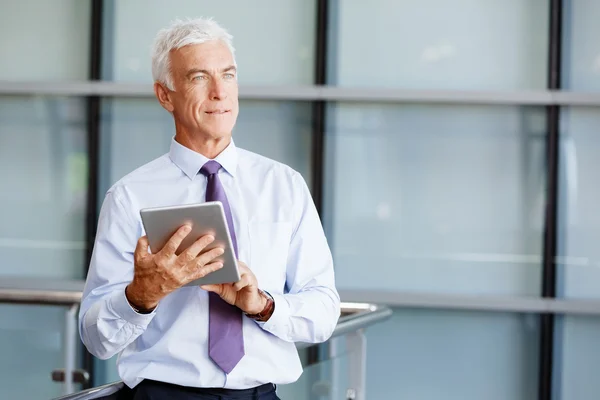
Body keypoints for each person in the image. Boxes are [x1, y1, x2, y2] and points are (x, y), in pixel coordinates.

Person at [79, 17, 340, 400]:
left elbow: (323, 311)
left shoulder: (284, 185)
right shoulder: (129, 196)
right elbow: (95, 338)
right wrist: (141, 295)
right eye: (199, 78)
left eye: (228, 75)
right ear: (165, 95)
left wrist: (263, 305)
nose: (220, 92)